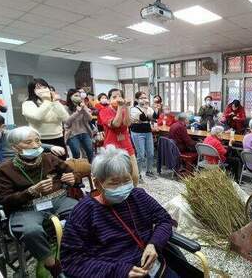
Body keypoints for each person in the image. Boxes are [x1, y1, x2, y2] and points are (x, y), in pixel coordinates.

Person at [61, 145, 176, 277]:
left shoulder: (138, 196)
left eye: (126, 180)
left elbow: (165, 220)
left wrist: (154, 244)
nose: (123, 187)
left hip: (152, 266)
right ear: (98, 184)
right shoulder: (85, 211)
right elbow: (71, 260)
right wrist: (119, 271)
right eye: (114, 183)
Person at [0, 126, 78, 277]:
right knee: (31, 231)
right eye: (28, 142)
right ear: (15, 147)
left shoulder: (49, 158)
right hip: (27, 208)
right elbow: (4, 200)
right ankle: (54, 267)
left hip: (58, 200)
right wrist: (30, 192)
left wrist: (73, 179)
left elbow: (73, 174)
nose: (35, 145)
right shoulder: (5, 169)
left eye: (38, 140)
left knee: (85, 212)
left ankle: (81, 254)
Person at [0, 113, 65, 168]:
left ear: (2, 127)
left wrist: (51, 147)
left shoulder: (12, 136)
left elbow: (31, 143)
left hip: (15, 170)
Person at [99, 88, 139, 186]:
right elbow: (116, 124)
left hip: (127, 146)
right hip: (112, 149)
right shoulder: (104, 111)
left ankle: (133, 194)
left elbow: (127, 123)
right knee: (116, 178)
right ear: (109, 100)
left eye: (120, 96)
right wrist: (121, 108)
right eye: (114, 97)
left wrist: (127, 107)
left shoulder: (124, 109)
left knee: (135, 176)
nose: (118, 99)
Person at [22, 78, 69, 159]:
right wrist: (47, 101)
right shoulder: (28, 103)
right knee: (44, 165)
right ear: (32, 90)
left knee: (61, 164)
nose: (43, 90)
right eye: (38, 88)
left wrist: (55, 102)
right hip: (40, 140)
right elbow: (37, 117)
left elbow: (65, 118)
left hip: (58, 138)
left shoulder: (54, 102)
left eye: (45, 87)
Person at [130, 92, 157, 180]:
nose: (144, 99)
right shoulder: (133, 109)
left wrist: (156, 109)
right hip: (137, 132)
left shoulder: (149, 108)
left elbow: (154, 117)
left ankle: (149, 171)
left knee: (151, 153)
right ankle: (138, 174)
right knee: (141, 155)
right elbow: (143, 118)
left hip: (148, 132)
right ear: (137, 100)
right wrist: (145, 109)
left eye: (145, 97)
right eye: (141, 98)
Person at [64, 89, 94, 162]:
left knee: (90, 151)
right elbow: (67, 122)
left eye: (79, 96)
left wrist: (84, 109)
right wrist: (77, 112)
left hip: (84, 132)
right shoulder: (66, 108)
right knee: (76, 153)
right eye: (75, 96)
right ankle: (78, 169)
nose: (78, 97)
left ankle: (92, 169)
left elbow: (90, 118)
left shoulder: (83, 105)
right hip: (72, 134)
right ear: (70, 97)